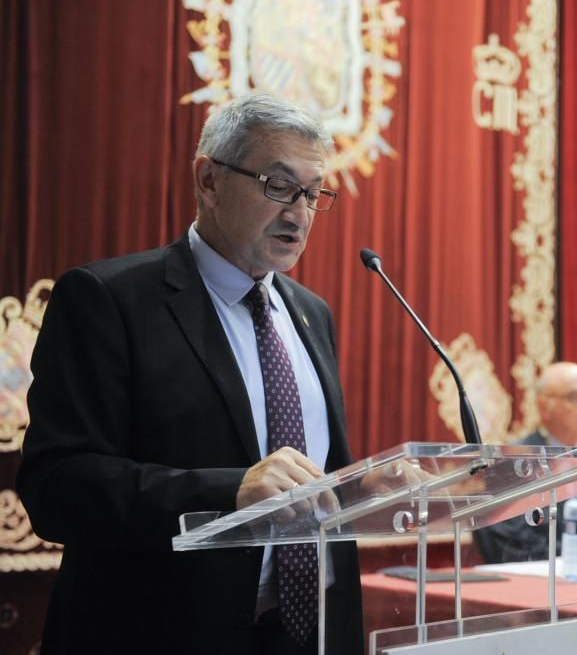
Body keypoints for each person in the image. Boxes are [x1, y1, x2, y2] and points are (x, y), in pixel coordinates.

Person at [16, 94, 361, 655]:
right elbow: (57, 488)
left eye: (312, 192)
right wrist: (230, 490)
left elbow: (326, 485)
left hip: (305, 634)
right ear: (209, 180)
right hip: (161, 632)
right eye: (278, 185)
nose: (298, 213)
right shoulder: (109, 299)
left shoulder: (310, 313)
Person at [474, 362, 577, 563]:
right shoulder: (517, 461)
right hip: (562, 571)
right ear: (544, 407)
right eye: (576, 398)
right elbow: (516, 541)